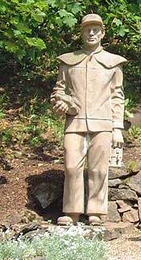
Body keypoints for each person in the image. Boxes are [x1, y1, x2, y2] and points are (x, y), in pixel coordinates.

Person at [51, 13, 126, 225]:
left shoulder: (113, 63)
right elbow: (59, 90)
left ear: (102, 33)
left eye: (95, 29)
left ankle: (96, 211)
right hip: (74, 122)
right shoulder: (68, 61)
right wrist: (61, 102)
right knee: (72, 166)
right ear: (81, 33)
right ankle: (72, 211)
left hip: (103, 123)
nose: (91, 33)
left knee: (98, 169)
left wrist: (118, 127)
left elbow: (117, 96)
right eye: (87, 29)